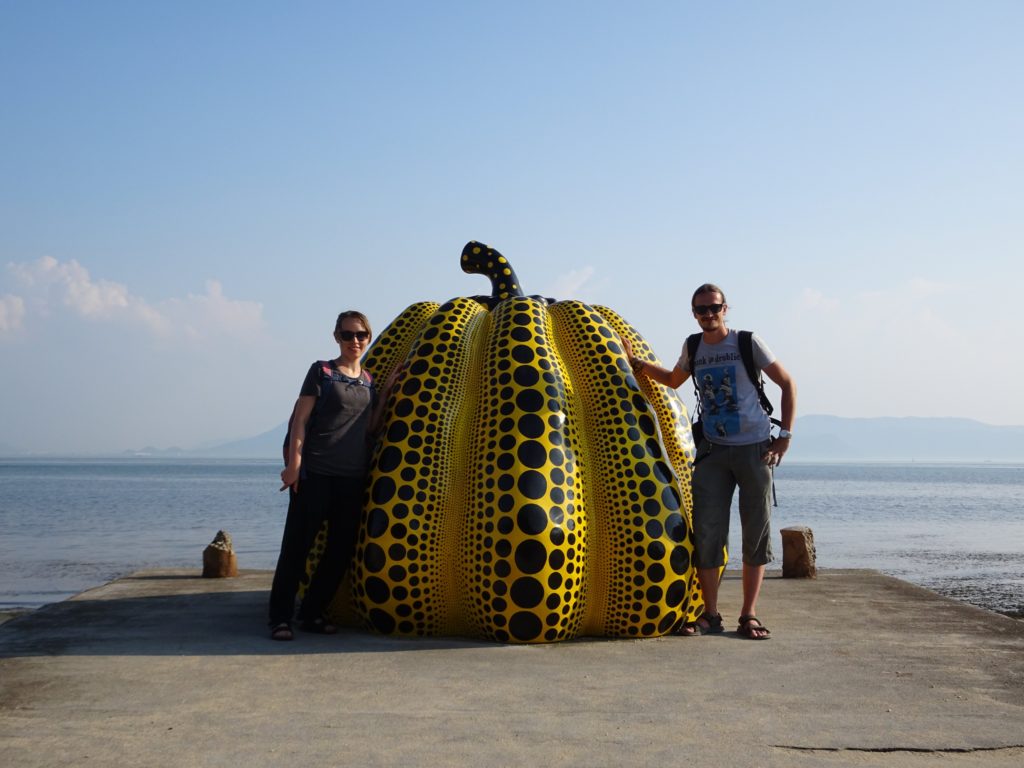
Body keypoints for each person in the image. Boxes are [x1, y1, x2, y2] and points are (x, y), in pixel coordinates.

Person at [626, 284, 797, 640]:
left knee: (756, 533)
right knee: (706, 533)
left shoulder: (747, 342)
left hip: (755, 449)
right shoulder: (694, 346)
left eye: (713, 308)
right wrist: (637, 365)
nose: (707, 315)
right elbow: (674, 380)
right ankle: (710, 614)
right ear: (694, 313)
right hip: (713, 452)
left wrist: (785, 438)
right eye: (700, 310)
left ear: (725, 308)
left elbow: (787, 384)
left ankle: (748, 614)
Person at [268, 310, 378, 641]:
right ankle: (280, 618)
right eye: (347, 335)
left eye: (360, 335)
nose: (354, 341)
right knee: (297, 549)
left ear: (368, 337)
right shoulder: (323, 372)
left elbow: (369, 427)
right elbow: (299, 420)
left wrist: (385, 396)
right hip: (316, 474)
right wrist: (294, 465)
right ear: (337, 338)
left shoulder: (369, 381)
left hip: (351, 478)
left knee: (339, 552)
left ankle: (312, 613)